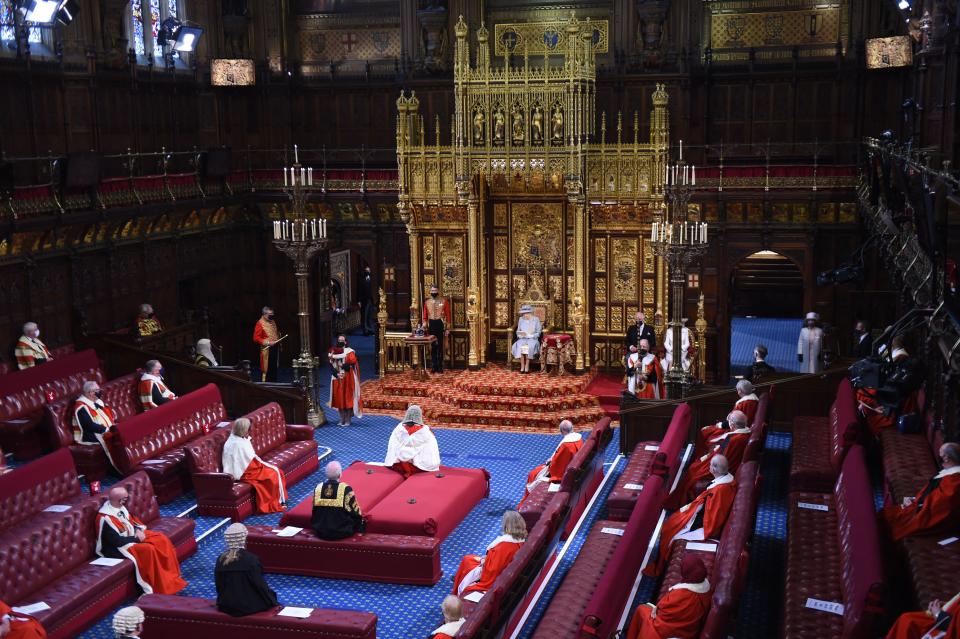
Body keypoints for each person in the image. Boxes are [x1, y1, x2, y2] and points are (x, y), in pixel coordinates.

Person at [644, 455, 736, 578]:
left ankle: (661, 567)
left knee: (670, 531)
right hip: (701, 515)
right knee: (670, 523)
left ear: (713, 470)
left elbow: (713, 519)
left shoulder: (719, 491)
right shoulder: (728, 481)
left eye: (710, 465)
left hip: (704, 526)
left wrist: (690, 519)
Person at [96, 486, 187, 595]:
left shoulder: (120, 508)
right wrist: (136, 538)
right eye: (125, 499)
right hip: (117, 547)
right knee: (148, 549)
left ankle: (171, 577)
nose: (126, 501)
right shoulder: (105, 518)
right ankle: (156, 586)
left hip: (130, 536)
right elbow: (116, 541)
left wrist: (138, 530)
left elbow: (132, 521)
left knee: (161, 538)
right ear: (119, 500)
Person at [671, 410, 751, 507]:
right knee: (696, 465)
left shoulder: (735, 440)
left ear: (733, 425)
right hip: (724, 460)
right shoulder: (744, 432)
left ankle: (682, 499)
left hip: (725, 467)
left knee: (693, 471)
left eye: (729, 422)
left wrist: (708, 457)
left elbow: (724, 457)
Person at [882, 443, 960, 541]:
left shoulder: (954, 481)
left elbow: (939, 507)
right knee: (885, 515)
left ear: (946, 458)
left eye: (940, 454)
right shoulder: (950, 474)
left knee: (887, 524)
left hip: (930, 519)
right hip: (921, 508)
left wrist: (916, 505)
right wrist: (916, 500)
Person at [626, 555, 712, 639]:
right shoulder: (706, 589)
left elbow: (662, 612)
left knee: (641, 609)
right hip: (688, 632)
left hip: (666, 631)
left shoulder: (681, 594)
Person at [452, 511, 527, 597]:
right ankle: (458, 577)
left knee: (467, 561)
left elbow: (493, 569)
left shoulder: (504, 546)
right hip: (496, 565)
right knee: (469, 558)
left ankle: (458, 588)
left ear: (507, 526)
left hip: (489, 571)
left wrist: (484, 560)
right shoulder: (520, 539)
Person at [222, 418, 286, 514]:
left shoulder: (238, 438)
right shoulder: (235, 444)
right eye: (247, 429)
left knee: (278, 471)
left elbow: (246, 458)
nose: (249, 431)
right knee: (272, 476)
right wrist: (259, 465)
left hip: (249, 467)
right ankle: (270, 505)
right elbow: (241, 463)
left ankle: (279, 500)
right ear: (242, 430)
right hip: (244, 472)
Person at [215, 523, 279, 617]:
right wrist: (273, 601)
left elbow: (219, 586)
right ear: (244, 538)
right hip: (250, 606)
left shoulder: (220, 559)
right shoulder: (251, 559)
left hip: (226, 605)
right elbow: (260, 585)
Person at [520, 419, 581, 506]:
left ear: (562, 431)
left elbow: (558, 463)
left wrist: (550, 464)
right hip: (572, 467)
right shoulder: (578, 438)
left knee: (532, 474)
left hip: (561, 473)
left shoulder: (566, 445)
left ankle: (526, 503)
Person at [72, 380, 119, 471]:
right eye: (97, 390)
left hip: (104, 429)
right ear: (91, 393)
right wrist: (106, 429)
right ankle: (117, 467)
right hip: (91, 434)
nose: (100, 391)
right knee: (114, 438)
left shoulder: (97, 402)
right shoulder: (81, 407)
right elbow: (89, 425)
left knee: (121, 432)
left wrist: (112, 427)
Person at [311, 461, 364, 541]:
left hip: (321, 532)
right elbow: (356, 513)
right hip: (341, 532)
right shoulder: (345, 489)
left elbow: (314, 511)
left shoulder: (318, 488)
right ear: (340, 474)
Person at [385, 405, 441, 477]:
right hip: (429, 465)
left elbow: (402, 453)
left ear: (407, 414)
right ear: (419, 415)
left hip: (414, 466)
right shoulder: (427, 431)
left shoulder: (398, 429)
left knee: (401, 456)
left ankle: (408, 472)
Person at [886, 592, 959, 639]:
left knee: (909, 623)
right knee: (907, 619)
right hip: (947, 618)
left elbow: (956, 628)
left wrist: (938, 613)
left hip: (948, 628)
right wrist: (948, 604)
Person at [328, 335, 362, 426]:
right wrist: (336, 373)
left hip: (348, 377)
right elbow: (331, 366)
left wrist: (342, 366)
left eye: (342, 340)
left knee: (347, 398)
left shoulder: (349, 352)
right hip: (337, 377)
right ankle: (341, 418)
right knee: (339, 399)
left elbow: (352, 363)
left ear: (345, 342)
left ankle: (347, 419)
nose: (340, 341)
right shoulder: (332, 351)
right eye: (339, 340)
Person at [422, 284, 452, 373]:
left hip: (440, 323)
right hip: (431, 324)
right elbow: (425, 316)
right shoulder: (427, 302)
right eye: (432, 291)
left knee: (440, 346)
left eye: (435, 291)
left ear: (438, 291)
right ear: (430, 291)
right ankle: (434, 366)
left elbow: (448, 315)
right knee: (433, 346)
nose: (434, 292)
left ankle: (440, 366)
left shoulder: (444, 301)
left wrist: (447, 328)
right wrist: (424, 325)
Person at [253, 306, 282, 382]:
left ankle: (274, 383)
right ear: (265, 314)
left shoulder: (272, 321)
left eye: (273, 314)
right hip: (267, 349)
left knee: (274, 367)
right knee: (267, 369)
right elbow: (256, 338)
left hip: (275, 348)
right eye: (270, 314)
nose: (272, 316)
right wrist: (268, 342)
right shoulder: (260, 323)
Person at [512, 304, 543, 374]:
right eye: (524, 313)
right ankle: (522, 366)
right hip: (523, 339)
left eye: (527, 313)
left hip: (532, 339)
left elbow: (538, 332)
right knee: (520, 347)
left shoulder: (536, 320)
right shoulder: (521, 319)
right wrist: (520, 335)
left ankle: (527, 366)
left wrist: (531, 335)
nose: (525, 315)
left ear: (530, 313)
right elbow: (518, 331)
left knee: (528, 348)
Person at [358, 265, 375, 335]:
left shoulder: (372, 279)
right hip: (364, 300)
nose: (367, 272)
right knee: (364, 316)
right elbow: (359, 291)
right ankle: (365, 331)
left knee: (369, 316)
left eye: (368, 271)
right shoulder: (361, 280)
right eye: (366, 271)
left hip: (370, 300)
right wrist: (358, 301)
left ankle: (370, 329)